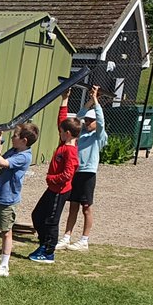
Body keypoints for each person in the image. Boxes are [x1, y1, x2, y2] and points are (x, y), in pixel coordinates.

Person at [0, 123, 39, 278]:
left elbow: (1, 163)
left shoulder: (24, 156)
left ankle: (4, 265)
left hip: (8, 199)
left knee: (6, 232)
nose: (12, 138)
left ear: (24, 140)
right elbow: (2, 157)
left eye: (15, 136)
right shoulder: (15, 150)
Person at [29, 98, 82, 264]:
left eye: (61, 131)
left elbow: (68, 174)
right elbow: (62, 120)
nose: (59, 133)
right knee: (37, 215)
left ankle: (48, 252)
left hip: (60, 190)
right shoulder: (63, 142)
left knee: (51, 221)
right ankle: (44, 244)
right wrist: (65, 99)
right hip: (52, 189)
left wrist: (51, 178)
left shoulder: (70, 151)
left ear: (67, 133)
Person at [59, 84, 107, 252]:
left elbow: (101, 122)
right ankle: (66, 237)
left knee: (86, 207)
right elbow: (77, 117)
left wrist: (96, 101)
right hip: (76, 173)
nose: (87, 123)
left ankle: (84, 240)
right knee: (73, 205)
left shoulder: (98, 136)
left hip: (88, 174)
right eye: (87, 120)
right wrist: (89, 102)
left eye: (90, 121)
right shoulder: (83, 133)